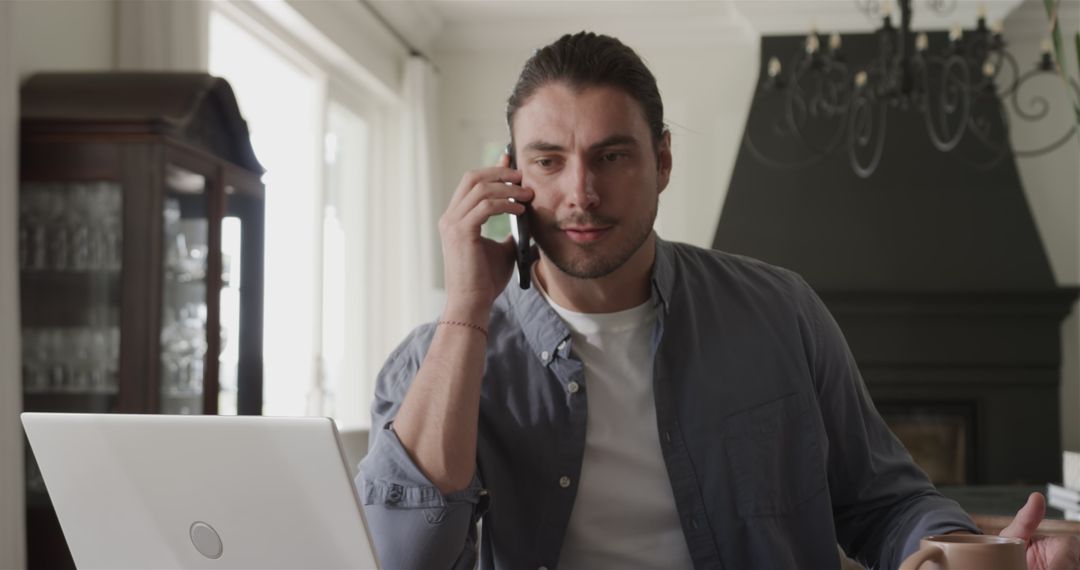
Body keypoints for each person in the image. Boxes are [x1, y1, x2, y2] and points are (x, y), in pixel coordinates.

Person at [358, 31, 1079, 570]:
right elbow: (402, 554)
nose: (580, 192)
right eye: (549, 161)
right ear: (511, 174)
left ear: (662, 161)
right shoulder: (437, 356)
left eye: (612, 156)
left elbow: (881, 501)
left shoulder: (782, 311)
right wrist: (465, 310)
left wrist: (956, 552)